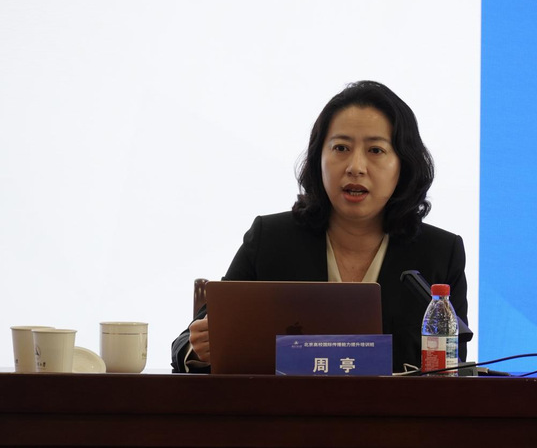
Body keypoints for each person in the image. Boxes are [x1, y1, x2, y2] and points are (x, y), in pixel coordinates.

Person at [171, 80, 468, 373]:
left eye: (376, 150)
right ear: (318, 158)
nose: (355, 167)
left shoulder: (440, 253)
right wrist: (199, 348)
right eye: (341, 147)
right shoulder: (271, 240)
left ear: (403, 163)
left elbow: (453, 370)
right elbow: (188, 342)